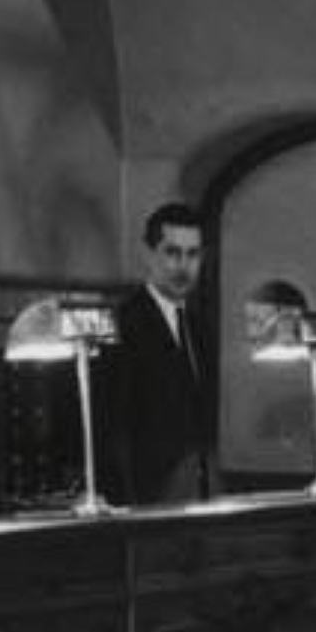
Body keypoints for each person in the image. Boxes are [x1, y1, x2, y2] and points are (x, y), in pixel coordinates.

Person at [100, 199, 218, 506]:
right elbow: (114, 433)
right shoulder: (122, 325)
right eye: (172, 252)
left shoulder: (199, 327)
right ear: (147, 255)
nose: (183, 266)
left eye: (193, 255)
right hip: (146, 501)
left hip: (198, 494)